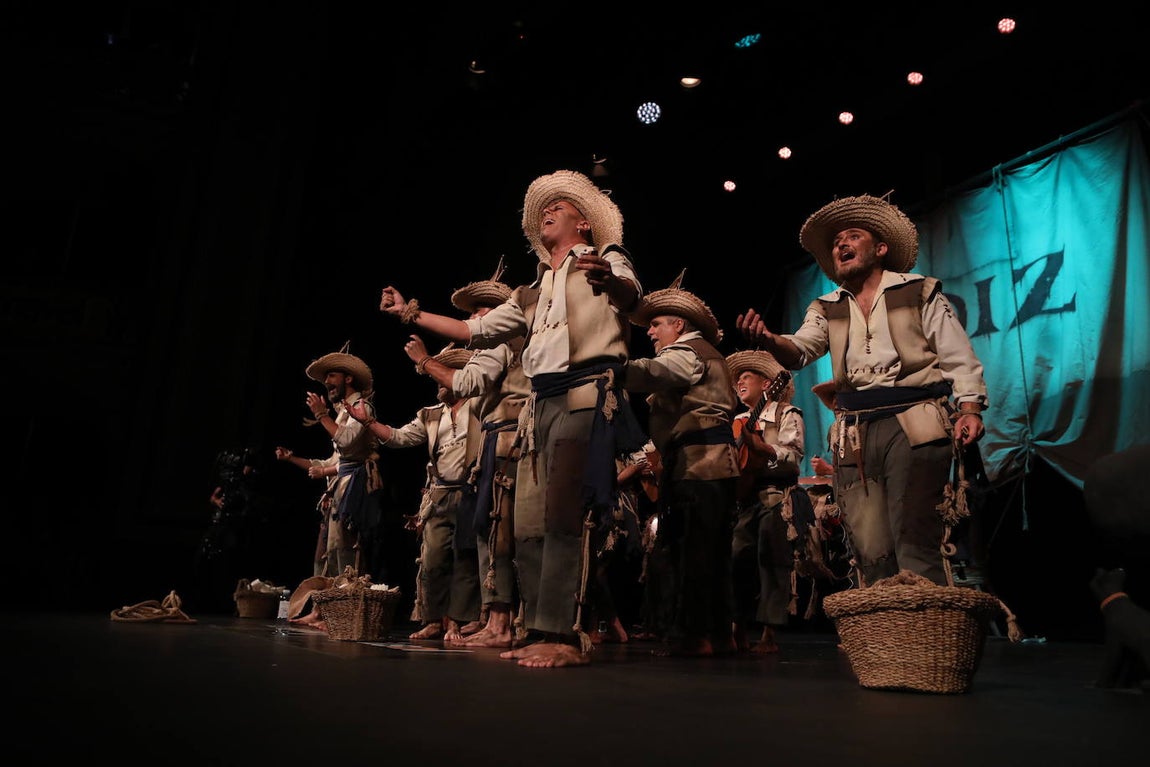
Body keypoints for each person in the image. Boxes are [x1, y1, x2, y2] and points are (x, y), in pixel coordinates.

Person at [377, 169, 646, 667]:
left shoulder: (605, 258)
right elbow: (470, 329)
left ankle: (563, 636)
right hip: (537, 407)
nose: (548, 211)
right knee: (525, 524)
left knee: (565, 516)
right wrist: (408, 314)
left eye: (560, 207)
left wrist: (612, 283)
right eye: (546, 208)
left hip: (583, 393)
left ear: (584, 222)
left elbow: (632, 297)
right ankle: (537, 627)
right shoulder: (531, 290)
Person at [736, 193, 988, 587]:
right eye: (837, 241)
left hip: (915, 419)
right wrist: (770, 340)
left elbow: (956, 351)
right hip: (854, 429)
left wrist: (970, 406)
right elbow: (800, 350)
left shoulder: (917, 290)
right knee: (869, 546)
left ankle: (923, 640)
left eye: (853, 236)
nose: (841, 244)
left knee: (914, 536)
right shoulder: (827, 305)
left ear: (881, 248)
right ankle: (886, 642)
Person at [393, 259, 528, 649]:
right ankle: (494, 619)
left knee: (498, 535)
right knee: (487, 538)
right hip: (492, 447)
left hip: (505, 442)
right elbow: (402, 437)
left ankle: (500, 621)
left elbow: (467, 379)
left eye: (477, 312)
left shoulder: (502, 342)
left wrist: (422, 361)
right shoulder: (434, 415)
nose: (471, 320)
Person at [621, 271, 741, 657]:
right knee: (711, 550)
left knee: (694, 550)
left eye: (656, 325)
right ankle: (719, 634)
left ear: (678, 324)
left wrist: (610, 367)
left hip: (699, 464)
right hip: (706, 463)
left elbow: (654, 372)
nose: (651, 332)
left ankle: (697, 636)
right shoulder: (701, 353)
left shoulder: (688, 352)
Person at [350, 346, 483, 643]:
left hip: (471, 491)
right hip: (440, 494)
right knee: (434, 559)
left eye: (442, 379)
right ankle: (434, 620)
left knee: (466, 559)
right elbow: (398, 438)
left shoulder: (480, 407)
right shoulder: (430, 415)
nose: (438, 385)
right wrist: (368, 422)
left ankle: (458, 622)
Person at [274, 343, 384, 582]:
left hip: (355, 489)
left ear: (349, 378)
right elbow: (333, 460)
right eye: (325, 378)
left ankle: (347, 605)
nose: (327, 382)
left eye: (331, 375)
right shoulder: (343, 413)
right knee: (330, 549)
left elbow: (345, 443)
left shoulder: (362, 408)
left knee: (346, 548)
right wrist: (291, 458)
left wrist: (321, 415)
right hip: (341, 487)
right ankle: (329, 608)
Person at [725, 349, 805, 654]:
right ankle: (738, 628)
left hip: (775, 498)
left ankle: (769, 635)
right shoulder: (738, 420)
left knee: (771, 560)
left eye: (747, 376)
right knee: (736, 559)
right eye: (737, 379)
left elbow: (793, 459)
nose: (739, 382)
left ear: (768, 383)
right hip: (745, 500)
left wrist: (764, 449)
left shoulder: (787, 413)